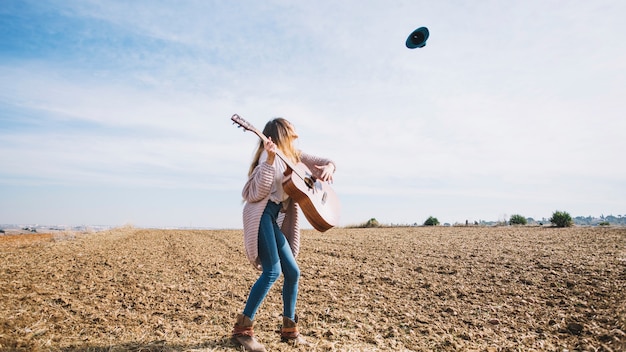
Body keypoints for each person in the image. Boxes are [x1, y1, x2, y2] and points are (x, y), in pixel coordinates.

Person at [231, 117, 336, 352]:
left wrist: (329, 167)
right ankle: (242, 329)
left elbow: (326, 161)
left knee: (293, 271)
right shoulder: (266, 157)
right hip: (261, 216)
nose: (295, 135)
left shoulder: (295, 156)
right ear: (280, 134)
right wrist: (268, 161)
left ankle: (289, 330)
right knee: (272, 271)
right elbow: (256, 193)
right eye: (291, 132)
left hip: (274, 217)